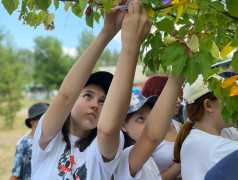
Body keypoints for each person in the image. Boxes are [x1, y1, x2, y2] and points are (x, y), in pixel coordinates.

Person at [31, 10, 126, 179]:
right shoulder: (49, 140)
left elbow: (109, 128)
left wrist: (130, 45)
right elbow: (65, 95)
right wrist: (107, 32)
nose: (95, 104)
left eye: (103, 101)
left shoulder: (101, 149)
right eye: (88, 96)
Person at [173, 74, 238, 180]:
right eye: (228, 98)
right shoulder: (211, 146)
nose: (235, 104)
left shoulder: (221, 132)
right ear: (208, 106)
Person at [141, 75, 182, 179]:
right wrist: (180, 165)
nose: (179, 101)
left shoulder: (179, 126)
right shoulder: (144, 133)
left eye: (179, 96)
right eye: (174, 96)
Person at [11, 102, 49, 180]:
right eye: (39, 117)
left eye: (46, 117)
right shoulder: (24, 144)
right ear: (31, 121)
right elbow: (14, 176)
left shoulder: (49, 141)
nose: (43, 120)